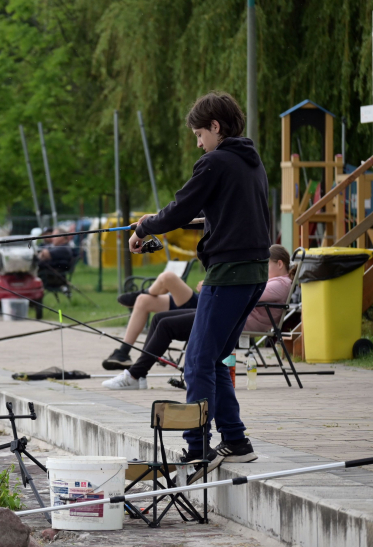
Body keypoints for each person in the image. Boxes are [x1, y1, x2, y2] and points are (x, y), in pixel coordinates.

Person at [126, 91, 271, 481]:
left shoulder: (215, 161)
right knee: (217, 358)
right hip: (256, 273)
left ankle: (196, 448)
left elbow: (182, 207)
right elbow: (222, 211)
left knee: (196, 362)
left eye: (198, 134)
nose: (197, 142)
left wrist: (144, 226)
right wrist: (160, 219)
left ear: (215, 127)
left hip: (231, 273)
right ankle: (236, 442)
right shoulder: (250, 162)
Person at [103, 245, 293, 392]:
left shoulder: (280, 284)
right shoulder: (271, 282)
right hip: (225, 315)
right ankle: (140, 374)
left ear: (279, 264)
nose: (260, 269)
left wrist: (213, 287)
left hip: (230, 321)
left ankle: (134, 375)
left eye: (264, 264)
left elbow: (245, 293)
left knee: (166, 326)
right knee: (159, 318)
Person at [102, 272, 202, 369]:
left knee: (168, 277)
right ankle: (123, 353)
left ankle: (143, 292)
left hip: (205, 306)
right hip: (201, 297)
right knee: (143, 300)